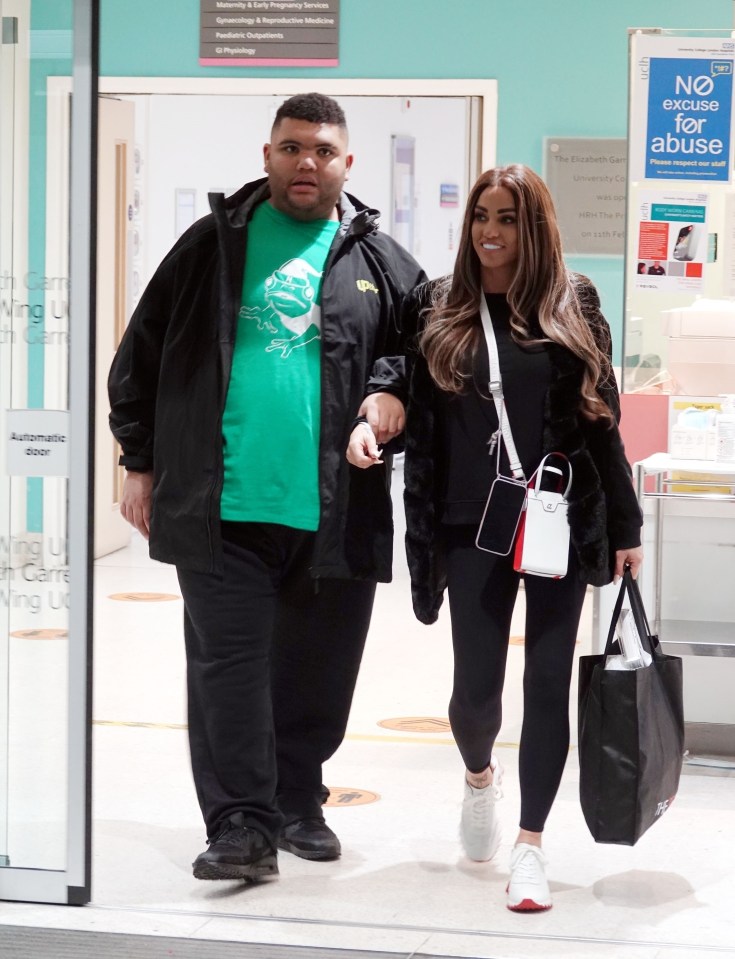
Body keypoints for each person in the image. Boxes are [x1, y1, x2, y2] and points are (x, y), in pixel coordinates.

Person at [108, 93, 425, 882]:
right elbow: (140, 353)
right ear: (266, 155)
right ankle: (240, 825)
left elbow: (423, 360)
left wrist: (391, 394)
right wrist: (137, 458)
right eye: (290, 147)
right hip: (222, 506)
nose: (305, 162)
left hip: (334, 508)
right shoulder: (211, 246)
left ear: (346, 163)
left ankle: (297, 801)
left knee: (319, 668)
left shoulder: (382, 262)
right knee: (228, 668)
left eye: (320, 149)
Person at [353, 164, 643, 912]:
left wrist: (625, 521)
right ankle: (480, 775)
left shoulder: (572, 302)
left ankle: (530, 846)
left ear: (534, 226)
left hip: (557, 517)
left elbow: (599, 415)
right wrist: (375, 414)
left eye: (508, 217)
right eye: (482, 215)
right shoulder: (438, 303)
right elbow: (401, 379)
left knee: (546, 681)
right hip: (466, 522)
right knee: (474, 693)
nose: (489, 231)